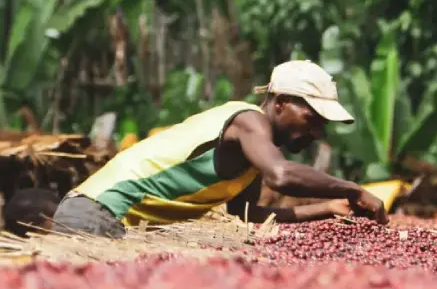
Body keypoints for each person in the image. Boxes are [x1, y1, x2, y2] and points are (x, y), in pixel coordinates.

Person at [50, 60, 388, 238]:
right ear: (281, 103)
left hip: (112, 220)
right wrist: (353, 188)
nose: (316, 132)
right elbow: (282, 176)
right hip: (98, 212)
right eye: (312, 118)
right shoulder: (247, 120)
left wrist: (330, 207)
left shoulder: (252, 157)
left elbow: (244, 214)